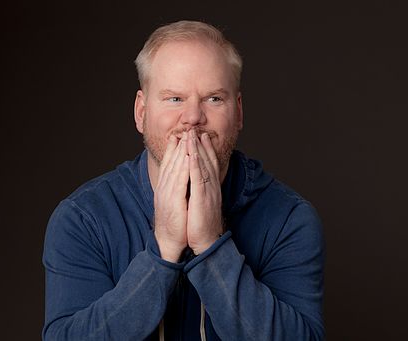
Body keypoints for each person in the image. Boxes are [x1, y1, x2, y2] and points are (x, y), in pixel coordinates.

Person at [42, 20, 325, 340]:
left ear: (239, 112)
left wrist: (210, 246)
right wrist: (162, 251)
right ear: (141, 112)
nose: (193, 117)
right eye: (174, 98)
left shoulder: (289, 219)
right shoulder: (83, 219)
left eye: (214, 98)